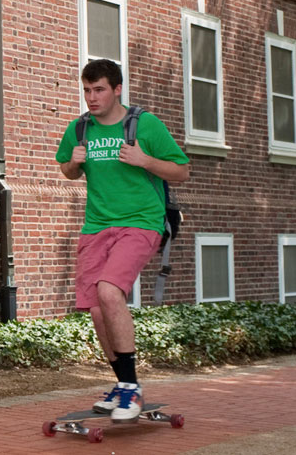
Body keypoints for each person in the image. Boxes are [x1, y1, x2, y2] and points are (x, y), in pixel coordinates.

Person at [55, 59, 190, 422]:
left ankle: (130, 389)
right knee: (98, 308)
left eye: (98, 89)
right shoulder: (80, 129)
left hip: (140, 222)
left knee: (110, 291)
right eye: (86, 90)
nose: (91, 97)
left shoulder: (144, 124)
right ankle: (123, 385)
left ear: (117, 89)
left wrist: (145, 160)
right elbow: (67, 171)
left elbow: (181, 170)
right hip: (96, 227)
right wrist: (73, 161)